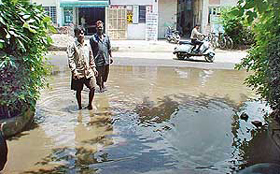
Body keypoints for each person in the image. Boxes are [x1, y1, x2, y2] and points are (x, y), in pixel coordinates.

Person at [67, 26, 98, 110]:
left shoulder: (87, 44)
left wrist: (94, 68)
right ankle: (80, 106)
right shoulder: (72, 45)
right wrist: (74, 71)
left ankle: (90, 104)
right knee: (78, 90)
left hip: (88, 71)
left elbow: (91, 56)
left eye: (82, 33)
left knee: (93, 87)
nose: (81, 35)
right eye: (78, 33)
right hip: (78, 72)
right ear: (76, 35)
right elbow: (71, 59)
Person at [89, 20, 113, 92]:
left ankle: (102, 84)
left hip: (106, 59)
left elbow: (109, 47)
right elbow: (91, 50)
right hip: (97, 60)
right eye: (98, 27)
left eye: (101, 27)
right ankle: (100, 87)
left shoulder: (106, 37)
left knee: (105, 75)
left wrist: (111, 56)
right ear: (96, 28)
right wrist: (91, 61)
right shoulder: (93, 38)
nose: (100, 29)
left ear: (103, 28)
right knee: (99, 75)